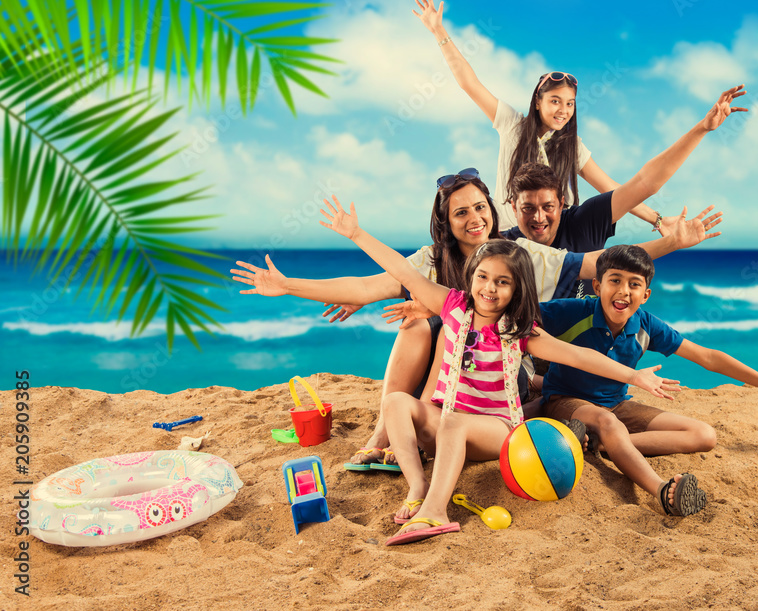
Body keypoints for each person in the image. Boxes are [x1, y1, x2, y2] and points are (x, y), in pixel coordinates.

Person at [231, 173, 721, 468]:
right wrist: (290, 285)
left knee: (438, 321)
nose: (473, 218)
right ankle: (384, 434)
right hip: (443, 380)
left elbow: (600, 266)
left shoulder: (519, 255)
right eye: (460, 211)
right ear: (447, 219)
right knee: (419, 324)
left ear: (492, 210)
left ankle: (418, 439)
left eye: (480, 207)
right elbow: (369, 285)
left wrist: (670, 242)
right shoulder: (432, 260)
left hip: (500, 375)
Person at [317, 200, 709, 544]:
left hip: (496, 430)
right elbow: (404, 272)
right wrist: (356, 233)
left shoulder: (519, 331)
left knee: (454, 422)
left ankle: (436, 513)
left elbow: (579, 357)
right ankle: (418, 486)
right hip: (447, 424)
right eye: (483, 278)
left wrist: (634, 376)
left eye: (503, 282)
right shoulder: (453, 305)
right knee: (397, 402)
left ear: (517, 289)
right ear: (471, 278)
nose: (490, 288)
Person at [413, 0, 747, 233]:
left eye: (570, 104)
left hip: (557, 240)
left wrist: (658, 220)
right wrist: (438, 31)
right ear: (538, 102)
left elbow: (614, 189)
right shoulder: (512, 125)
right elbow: (468, 82)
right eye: (555, 101)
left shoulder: (572, 147)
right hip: (508, 241)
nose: (563, 111)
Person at [538, 245, 758, 513]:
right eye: (614, 280)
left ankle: (602, 446)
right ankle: (661, 490)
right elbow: (522, 315)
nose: (623, 291)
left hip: (616, 405)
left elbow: (708, 357)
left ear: (646, 294)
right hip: (566, 401)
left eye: (634, 284)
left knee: (704, 435)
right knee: (607, 423)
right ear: (597, 285)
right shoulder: (571, 312)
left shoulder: (646, 326)